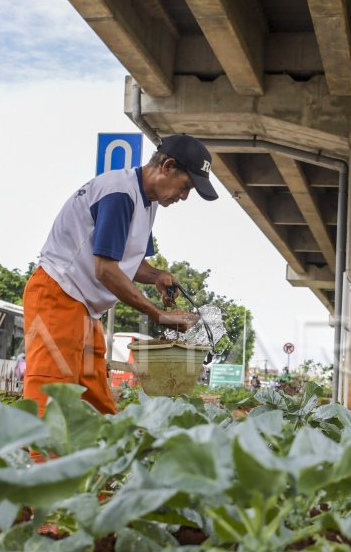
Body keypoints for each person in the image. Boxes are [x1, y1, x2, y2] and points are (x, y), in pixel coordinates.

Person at [24, 134, 217, 415]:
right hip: (58, 294)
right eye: (186, 186)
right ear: (167, 167)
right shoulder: (120, 193)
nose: (184, 197)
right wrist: (157, 314)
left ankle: (106, 456)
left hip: (85, 309)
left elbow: (127, 259)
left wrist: (157, 276)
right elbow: (106, 270)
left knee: (94, 396)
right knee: (52, 389)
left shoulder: (146, 201)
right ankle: (45, 460)